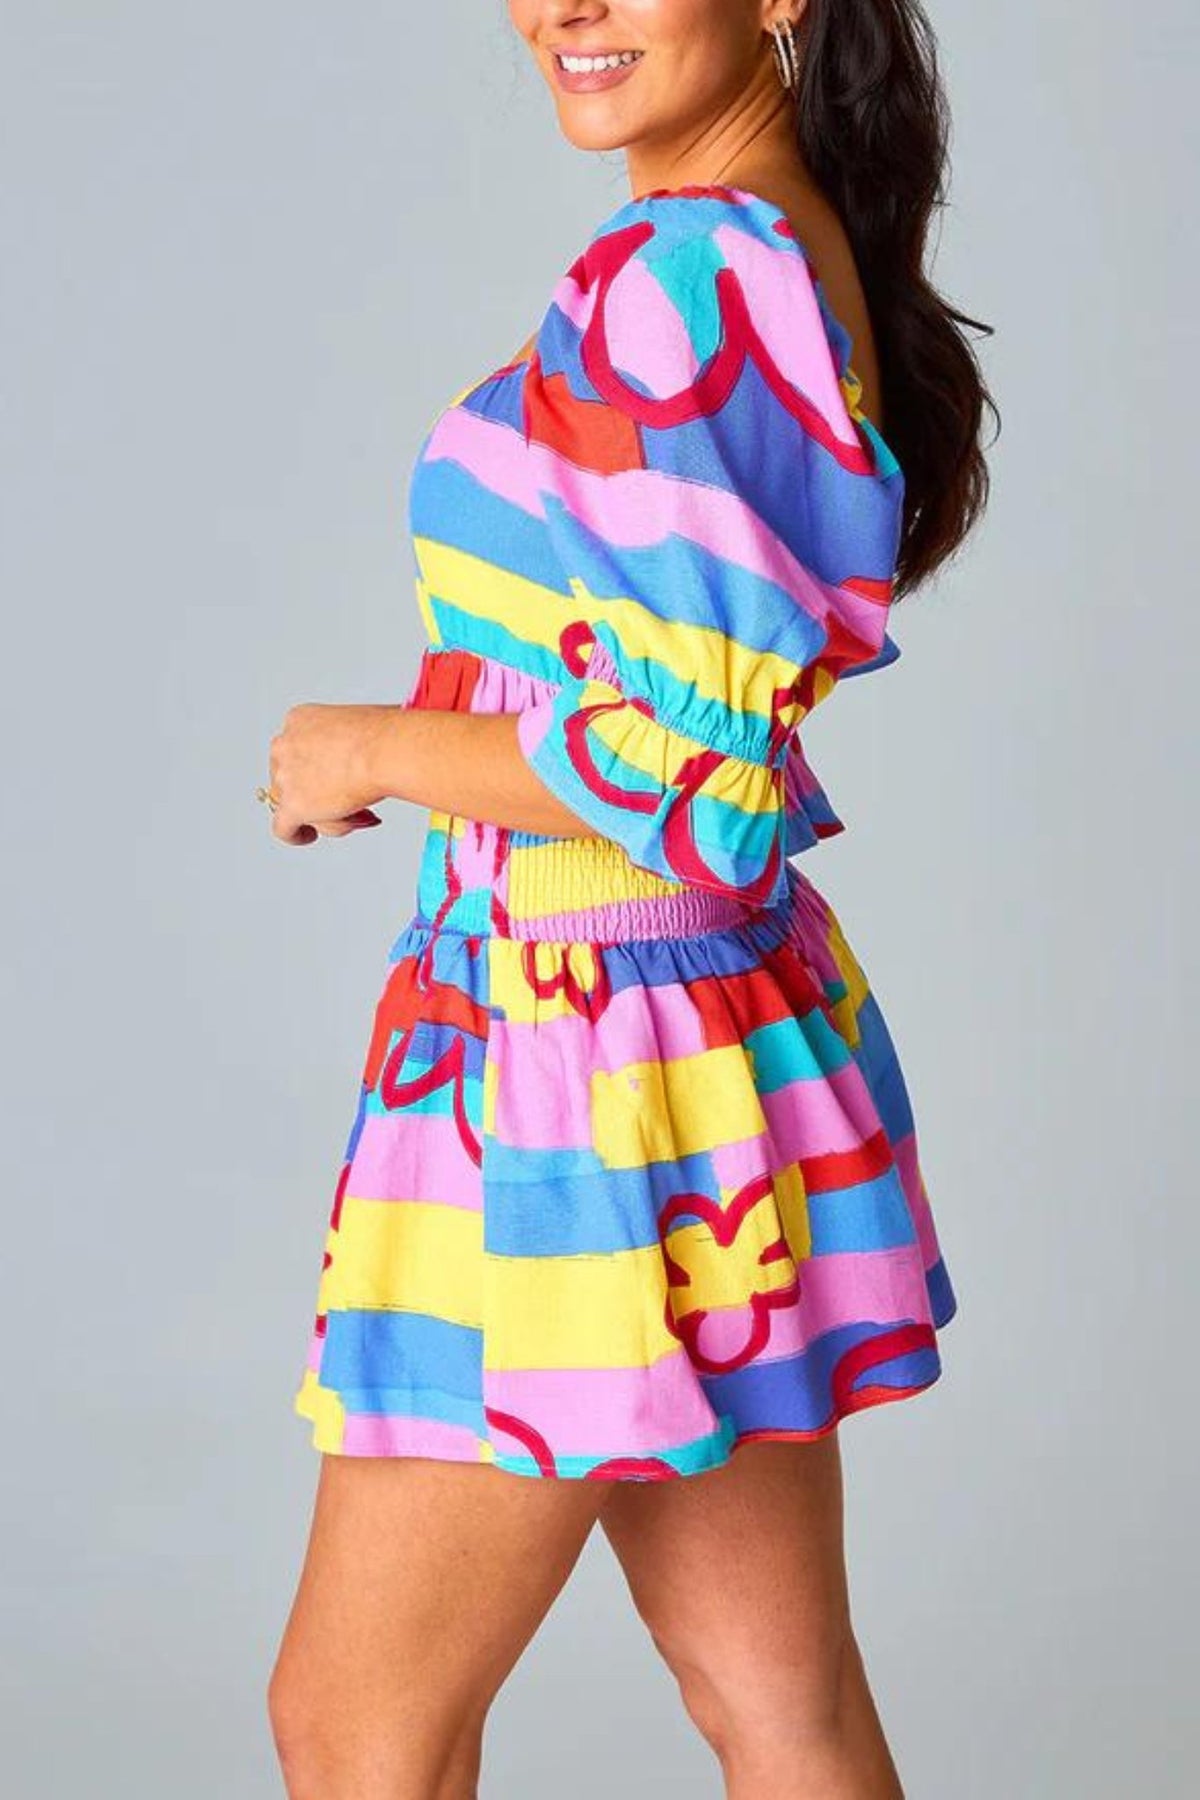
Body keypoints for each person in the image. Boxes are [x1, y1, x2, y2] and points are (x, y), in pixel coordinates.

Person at [262, 3, 995, 1795]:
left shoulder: (686, 273)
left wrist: (367, 746)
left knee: (357, 1727)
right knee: (779, 1704)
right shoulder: (773, 243)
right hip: (690, 1039)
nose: (565, 8)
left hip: (577, 1064)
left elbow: (694, 779)